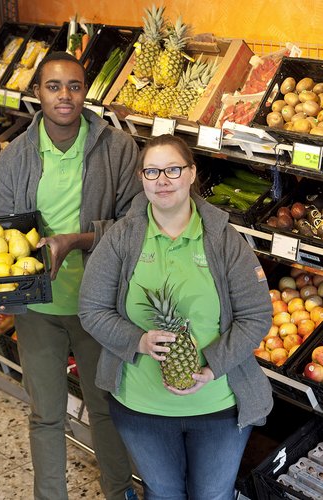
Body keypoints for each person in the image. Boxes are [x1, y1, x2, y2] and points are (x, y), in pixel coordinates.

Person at [79, 134, 274, 500]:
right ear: (141, 178)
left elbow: (256, 314)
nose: (162, 180)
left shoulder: (222, 238)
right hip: (141, 406)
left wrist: (213, 366)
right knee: (162, 493)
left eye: (173, 169)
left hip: (219, 406)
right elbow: (91, 308)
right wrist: (138, 340)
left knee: (213, 496)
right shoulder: (122, 237)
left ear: (191, 174)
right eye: (152, 171)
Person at [0, 52, 142, 500]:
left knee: (106, 409)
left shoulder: (117, 148)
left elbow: (135, 224)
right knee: (46, 413)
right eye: (53, 86)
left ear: (86, 91)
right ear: (37, 93)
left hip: (100, 306)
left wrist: (78, 239)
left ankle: (119, 491)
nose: (64, 96)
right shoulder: (13, 159)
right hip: (38, 309)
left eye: (74, 85)